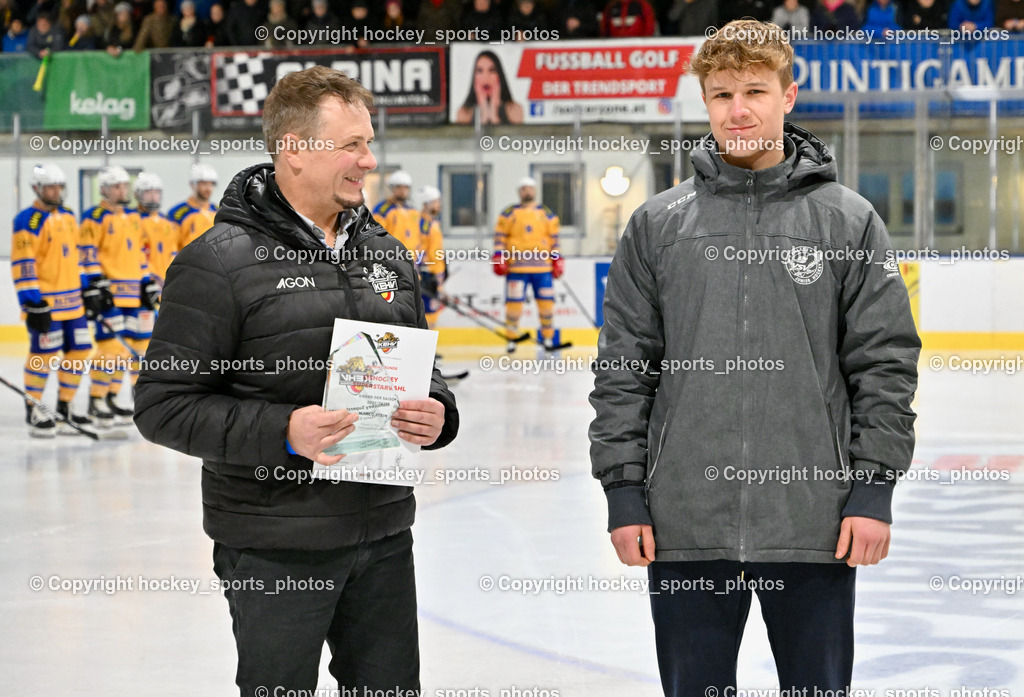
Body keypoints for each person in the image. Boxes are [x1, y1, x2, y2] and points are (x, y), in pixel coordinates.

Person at [589, 19, 920, 697]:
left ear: (788, 96)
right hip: (685, 520)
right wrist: (624, 491)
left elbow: (883, 363)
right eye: (720, 94)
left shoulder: (847, 220)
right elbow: (624, 366)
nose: (738, 109)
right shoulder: (658, 225)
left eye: (755, 91)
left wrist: (873, 488)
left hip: (814, 519)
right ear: (704, 103)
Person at [133, 65, 459, 697]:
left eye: (369, 142)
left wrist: (439, 411)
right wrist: (283, 431)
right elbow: (162, 405)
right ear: (294, 151)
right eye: (352, 146)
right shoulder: (218, 262)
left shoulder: (388, 253)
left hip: (384, 533)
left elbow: (421, 363)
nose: (370, 161)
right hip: (273, 544)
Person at [11, 164, 106, 436]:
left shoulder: (67, 216)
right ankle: (35, 407)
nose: (56, 191)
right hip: (46, 305)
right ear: (36, 189)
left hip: (73, 304)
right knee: (43, 355)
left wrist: (88, 289)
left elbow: (75, 257)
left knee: (78, 353)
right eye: (50, 187)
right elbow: (23, 264)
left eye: (59, 186)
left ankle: (65, 407)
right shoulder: (27, 220)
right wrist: (31, 301)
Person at [79, 165, 157, 424]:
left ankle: (112, 396)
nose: (122, 190)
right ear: (103, 190)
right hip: (110, 295)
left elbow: (139, 253)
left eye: (124, 185)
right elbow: (87, 254)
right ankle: (96, 399)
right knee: (109, 349)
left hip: (134, 295)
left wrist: (146, 282)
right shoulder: (93, 217)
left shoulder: (134, 217)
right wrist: (94, 285)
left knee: (133, 351)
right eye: (116, 186)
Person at [492, 176, 564, 353]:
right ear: (519, 192)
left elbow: (554, 239)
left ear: (535, 190)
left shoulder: (546, 214)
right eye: (524, 188)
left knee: (546, 304)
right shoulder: (508, 213)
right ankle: (511, 339)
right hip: (516, 268)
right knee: (513, 306)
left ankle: (547, 338)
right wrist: (499, 256)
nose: (527, 191)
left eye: (530, 188)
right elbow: (500, 238)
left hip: (542, 269)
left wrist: (557, 258)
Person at [454, 50, 523, 125]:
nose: (486, 77)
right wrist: (484, 111)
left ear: (499, 75)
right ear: (474, 76)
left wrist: (494, 114)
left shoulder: (514, 109)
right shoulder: (464, 112)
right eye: (480, 71)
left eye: (492, 70)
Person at [372, 170, 423, 257]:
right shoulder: (382, 210)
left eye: (406, 187)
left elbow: (418, 236)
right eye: (399, 187)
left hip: (411, 258)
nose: (402, 191)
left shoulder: (413, 211)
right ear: (392, 188)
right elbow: (376, 236)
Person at [417, 185, 447, 329]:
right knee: (428, 314)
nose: (438, 205)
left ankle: (430, 349)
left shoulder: (432, 223)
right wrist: (427, 271)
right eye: (435, 202)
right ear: (426, 204)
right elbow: (420, 250)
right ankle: (427, 350)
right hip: (427, 276)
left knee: (433, 313)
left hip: (434, 276)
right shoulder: (422, 224)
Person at [169, 163, 217, 248]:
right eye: (204, 183)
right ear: (193, 184)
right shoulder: (178, 213)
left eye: (211, 184)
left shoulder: (218, 210)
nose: (208, 188)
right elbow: (171, 245)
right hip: (188, 260)